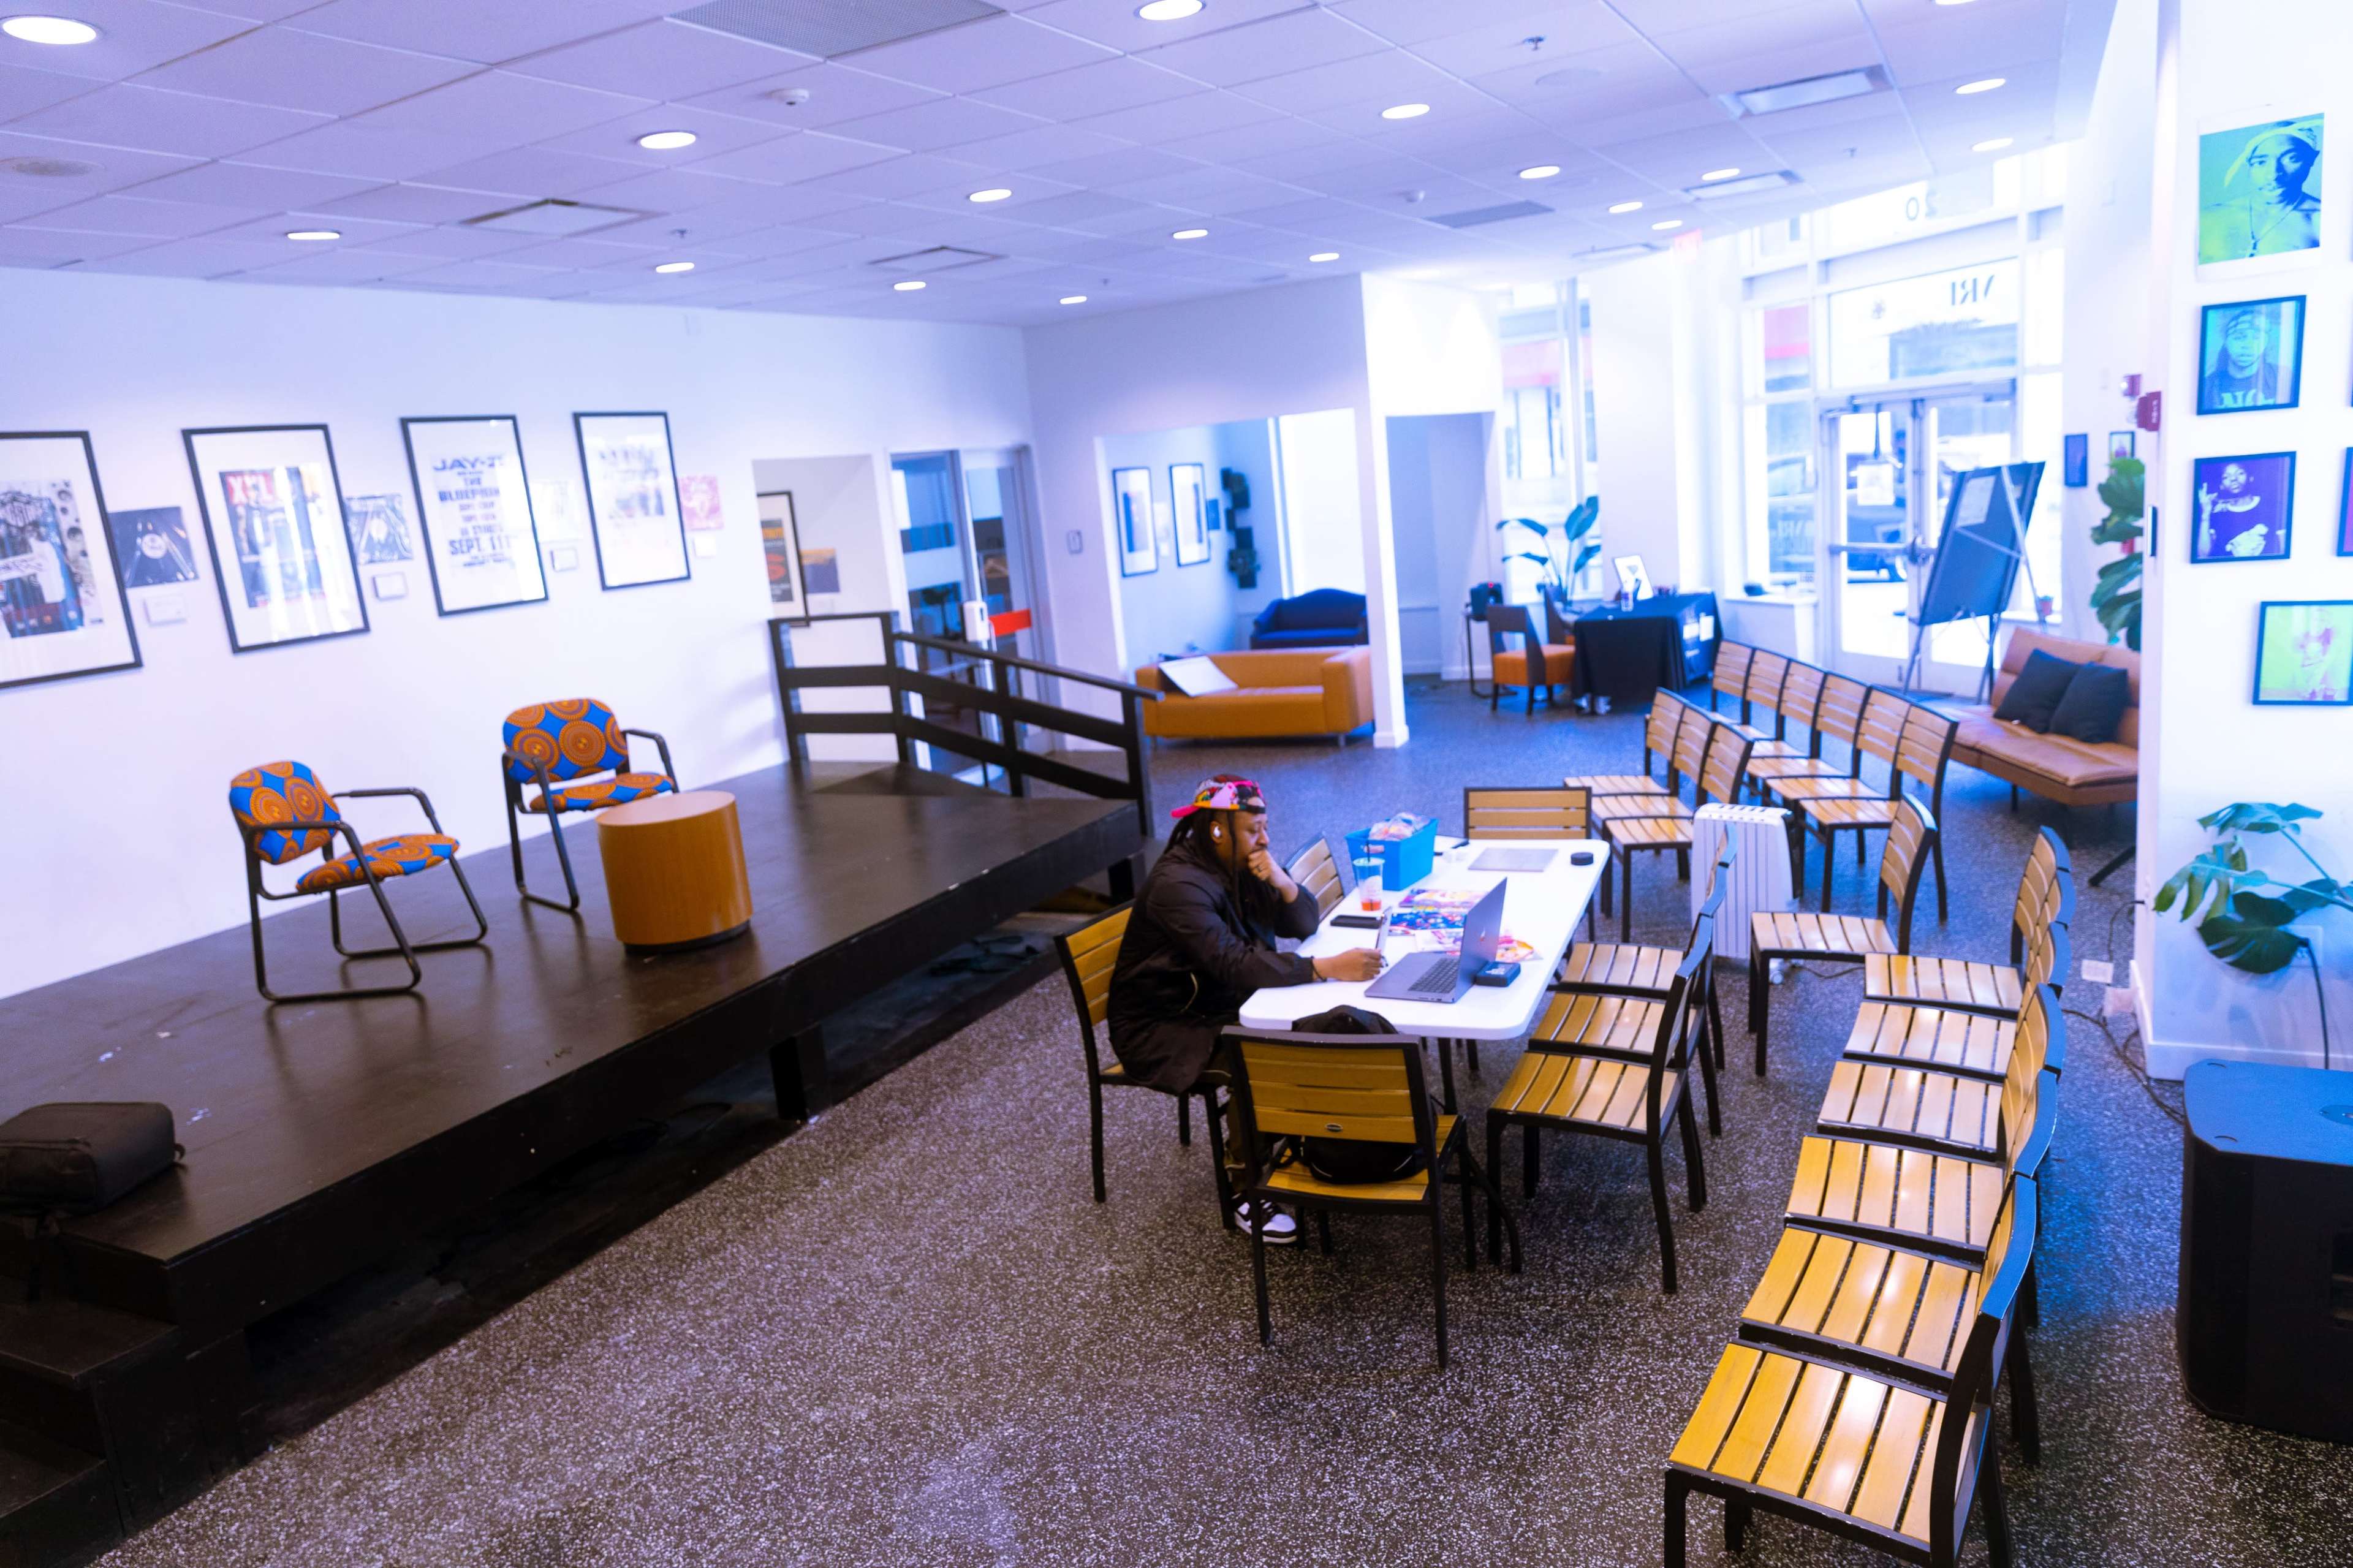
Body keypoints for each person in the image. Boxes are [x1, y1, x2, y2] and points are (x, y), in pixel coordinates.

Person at [1107, 775, 1382, 1243]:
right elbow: (1231, 962)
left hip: (1216, 1000)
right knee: (1258, 1057)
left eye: (1266, 827)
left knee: (1312, 1031)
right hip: (1163, 1026)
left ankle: (1321, 1140)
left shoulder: (1240, 867)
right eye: (1255, 829)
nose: (1266, 839)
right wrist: (1325, 967)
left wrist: (1280, 879)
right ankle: (1247, 1193)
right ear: (1217, 829)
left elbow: (1304, 923)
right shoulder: (1179, 885)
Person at [2201, 124, 2321, 261]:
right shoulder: (2208, 218)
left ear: (2311, 159)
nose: (2273, 174)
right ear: (2249, 165)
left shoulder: (2322, 222)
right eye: (2260, 162)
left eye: (2292, 159)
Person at [2200, 305, 2280, 411]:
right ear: (2226, 343)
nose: (2248, 345)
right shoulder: (2208, 385)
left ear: (2266, 343)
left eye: (2257, 338)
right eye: (2239, 338)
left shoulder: (2280, 376)